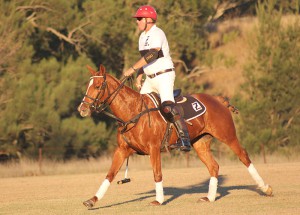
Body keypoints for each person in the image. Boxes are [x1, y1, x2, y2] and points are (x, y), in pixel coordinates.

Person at [123, 5, 191, 152]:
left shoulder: (157, 33)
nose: (137, 21)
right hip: (150, 78)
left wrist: (133, 69)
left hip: (164, 75)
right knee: (137, 108)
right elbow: (145, 59)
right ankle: (139, 139)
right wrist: (140, 75)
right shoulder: (142, 37)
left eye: (139, 19)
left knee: (167, 107)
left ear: (148, 20)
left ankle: (184, 139)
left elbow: (152, 55)